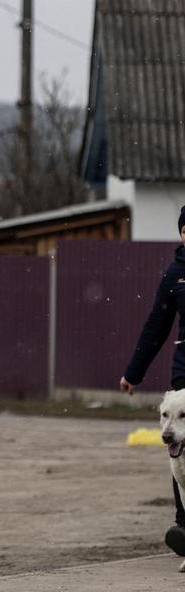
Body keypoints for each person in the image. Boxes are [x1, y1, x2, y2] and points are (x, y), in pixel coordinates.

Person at [119, 205, 185, 557]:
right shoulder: (174, 274)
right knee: (179, 447)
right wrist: (134, 372)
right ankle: (184, 526)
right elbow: (156, 328)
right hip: (184, 371)